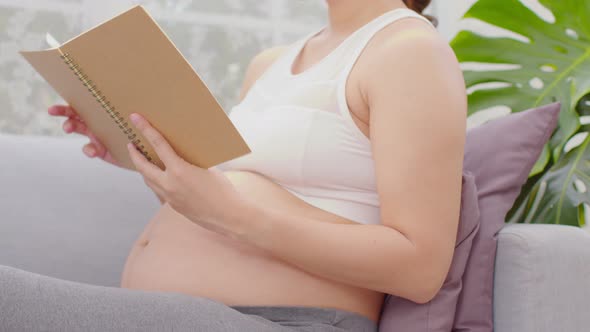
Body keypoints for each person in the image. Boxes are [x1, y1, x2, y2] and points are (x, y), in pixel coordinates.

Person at [1, 0, 467, 330]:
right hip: (185, 310)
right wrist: (134, 148)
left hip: (289, 320)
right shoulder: (270, 64)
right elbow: (227, 199)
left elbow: (420, 269)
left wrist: (232, 215)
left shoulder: (408, 51)